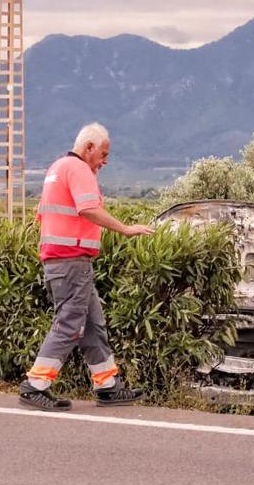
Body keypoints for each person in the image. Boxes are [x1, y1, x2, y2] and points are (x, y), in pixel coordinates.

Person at [18, 122, 154, 411]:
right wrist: (125, 229)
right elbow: (88, 209)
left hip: (61, 259)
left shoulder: (57, 168)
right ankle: (35, 385)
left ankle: (107, 386)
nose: (104, 161)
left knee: (92, 324)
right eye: (103, 154)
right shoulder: (79, 169)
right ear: (88, 147)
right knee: (69, 324)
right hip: (71, 260)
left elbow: (43, 215)